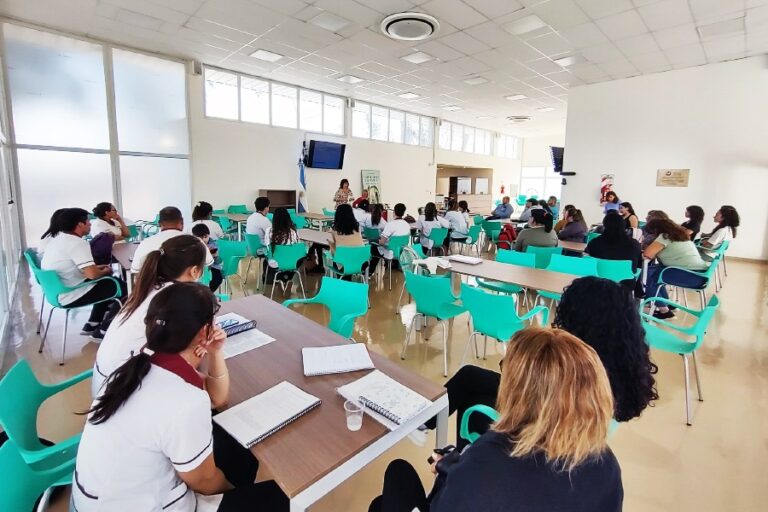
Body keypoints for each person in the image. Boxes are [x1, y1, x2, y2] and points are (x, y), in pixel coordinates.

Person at [73, 283, 289, 512]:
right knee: (277, 498)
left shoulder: (135, 366)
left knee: (238, 448)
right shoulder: (184, 399)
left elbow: (218, 400)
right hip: (143, 505)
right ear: (204, 331)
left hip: (101, 500)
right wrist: (237, 493)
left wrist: (215, 353)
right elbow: (205, 482)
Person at [370, 326, 623, 512]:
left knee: (396, 477)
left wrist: (453, 472)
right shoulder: (607, 465)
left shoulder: (491, 458)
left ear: (518, 391)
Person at [423, 276, 657, 450]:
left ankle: (452, 448)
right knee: (471, 376)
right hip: (565, 417)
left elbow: (515, 372)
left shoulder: (574, 357)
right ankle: (441, 435)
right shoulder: (623, 357)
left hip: (546, 423)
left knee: (474, 398)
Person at [92, 234, 208, 396]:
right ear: (195, 271)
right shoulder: (175, 298)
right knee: (209, 387)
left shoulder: (149, 287)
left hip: (102, 381)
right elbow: (190, 352)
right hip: (121, 390)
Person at [40, 208, 127, 339]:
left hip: (56, 293)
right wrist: (104, 270)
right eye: (87, 221)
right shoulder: (77, 243)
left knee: (107, 281)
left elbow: (74, 266)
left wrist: (97, 269)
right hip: (70, 294)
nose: (90, 224)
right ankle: (104, 330)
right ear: (79, 224)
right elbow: (92, 275)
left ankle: (92, 323)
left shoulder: (57, 240)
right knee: (126, 288)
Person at [643, 218, 709, 319]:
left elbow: (647, 254)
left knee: (647, 276)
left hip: (690, 275)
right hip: (701, 275)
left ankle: (664, 311)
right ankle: (665, 303)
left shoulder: (665, 236)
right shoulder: (681, 236)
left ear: (656, 230)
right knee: (654, 272)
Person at [131, 206, 213, 273]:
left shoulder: (146, 243)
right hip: (188, 290)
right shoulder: (196, 242)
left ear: (159, 223)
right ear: (182, 222)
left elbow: (135, 270)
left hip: (158, 291)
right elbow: (208, 263)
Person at [586, 212, 643, 290]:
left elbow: (589, 259)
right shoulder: (634, 244)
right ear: (623, 225)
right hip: (625, 284)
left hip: (598, 283)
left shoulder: (595, 243)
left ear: (604, 225)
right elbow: (637, 264)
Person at [370, 203, 411, 274]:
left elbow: (382, 242)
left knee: (373, 247)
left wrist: (374, 241)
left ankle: (369, 272)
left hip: (391, 252)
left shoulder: (390, 224)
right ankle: (392, 264)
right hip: (401, 252)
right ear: (403, 213)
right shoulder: (407, 225)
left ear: (394, 212)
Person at [192, 224, 223, 292]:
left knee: (217, 278)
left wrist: (215, 256)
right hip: (199, 268)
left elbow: (219, 261)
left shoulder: (214, 245)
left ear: (209, 235)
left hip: (213, 267)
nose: (203, 240)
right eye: (199, 238)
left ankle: (208, 292)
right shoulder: (194, 245)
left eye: (205, 237)